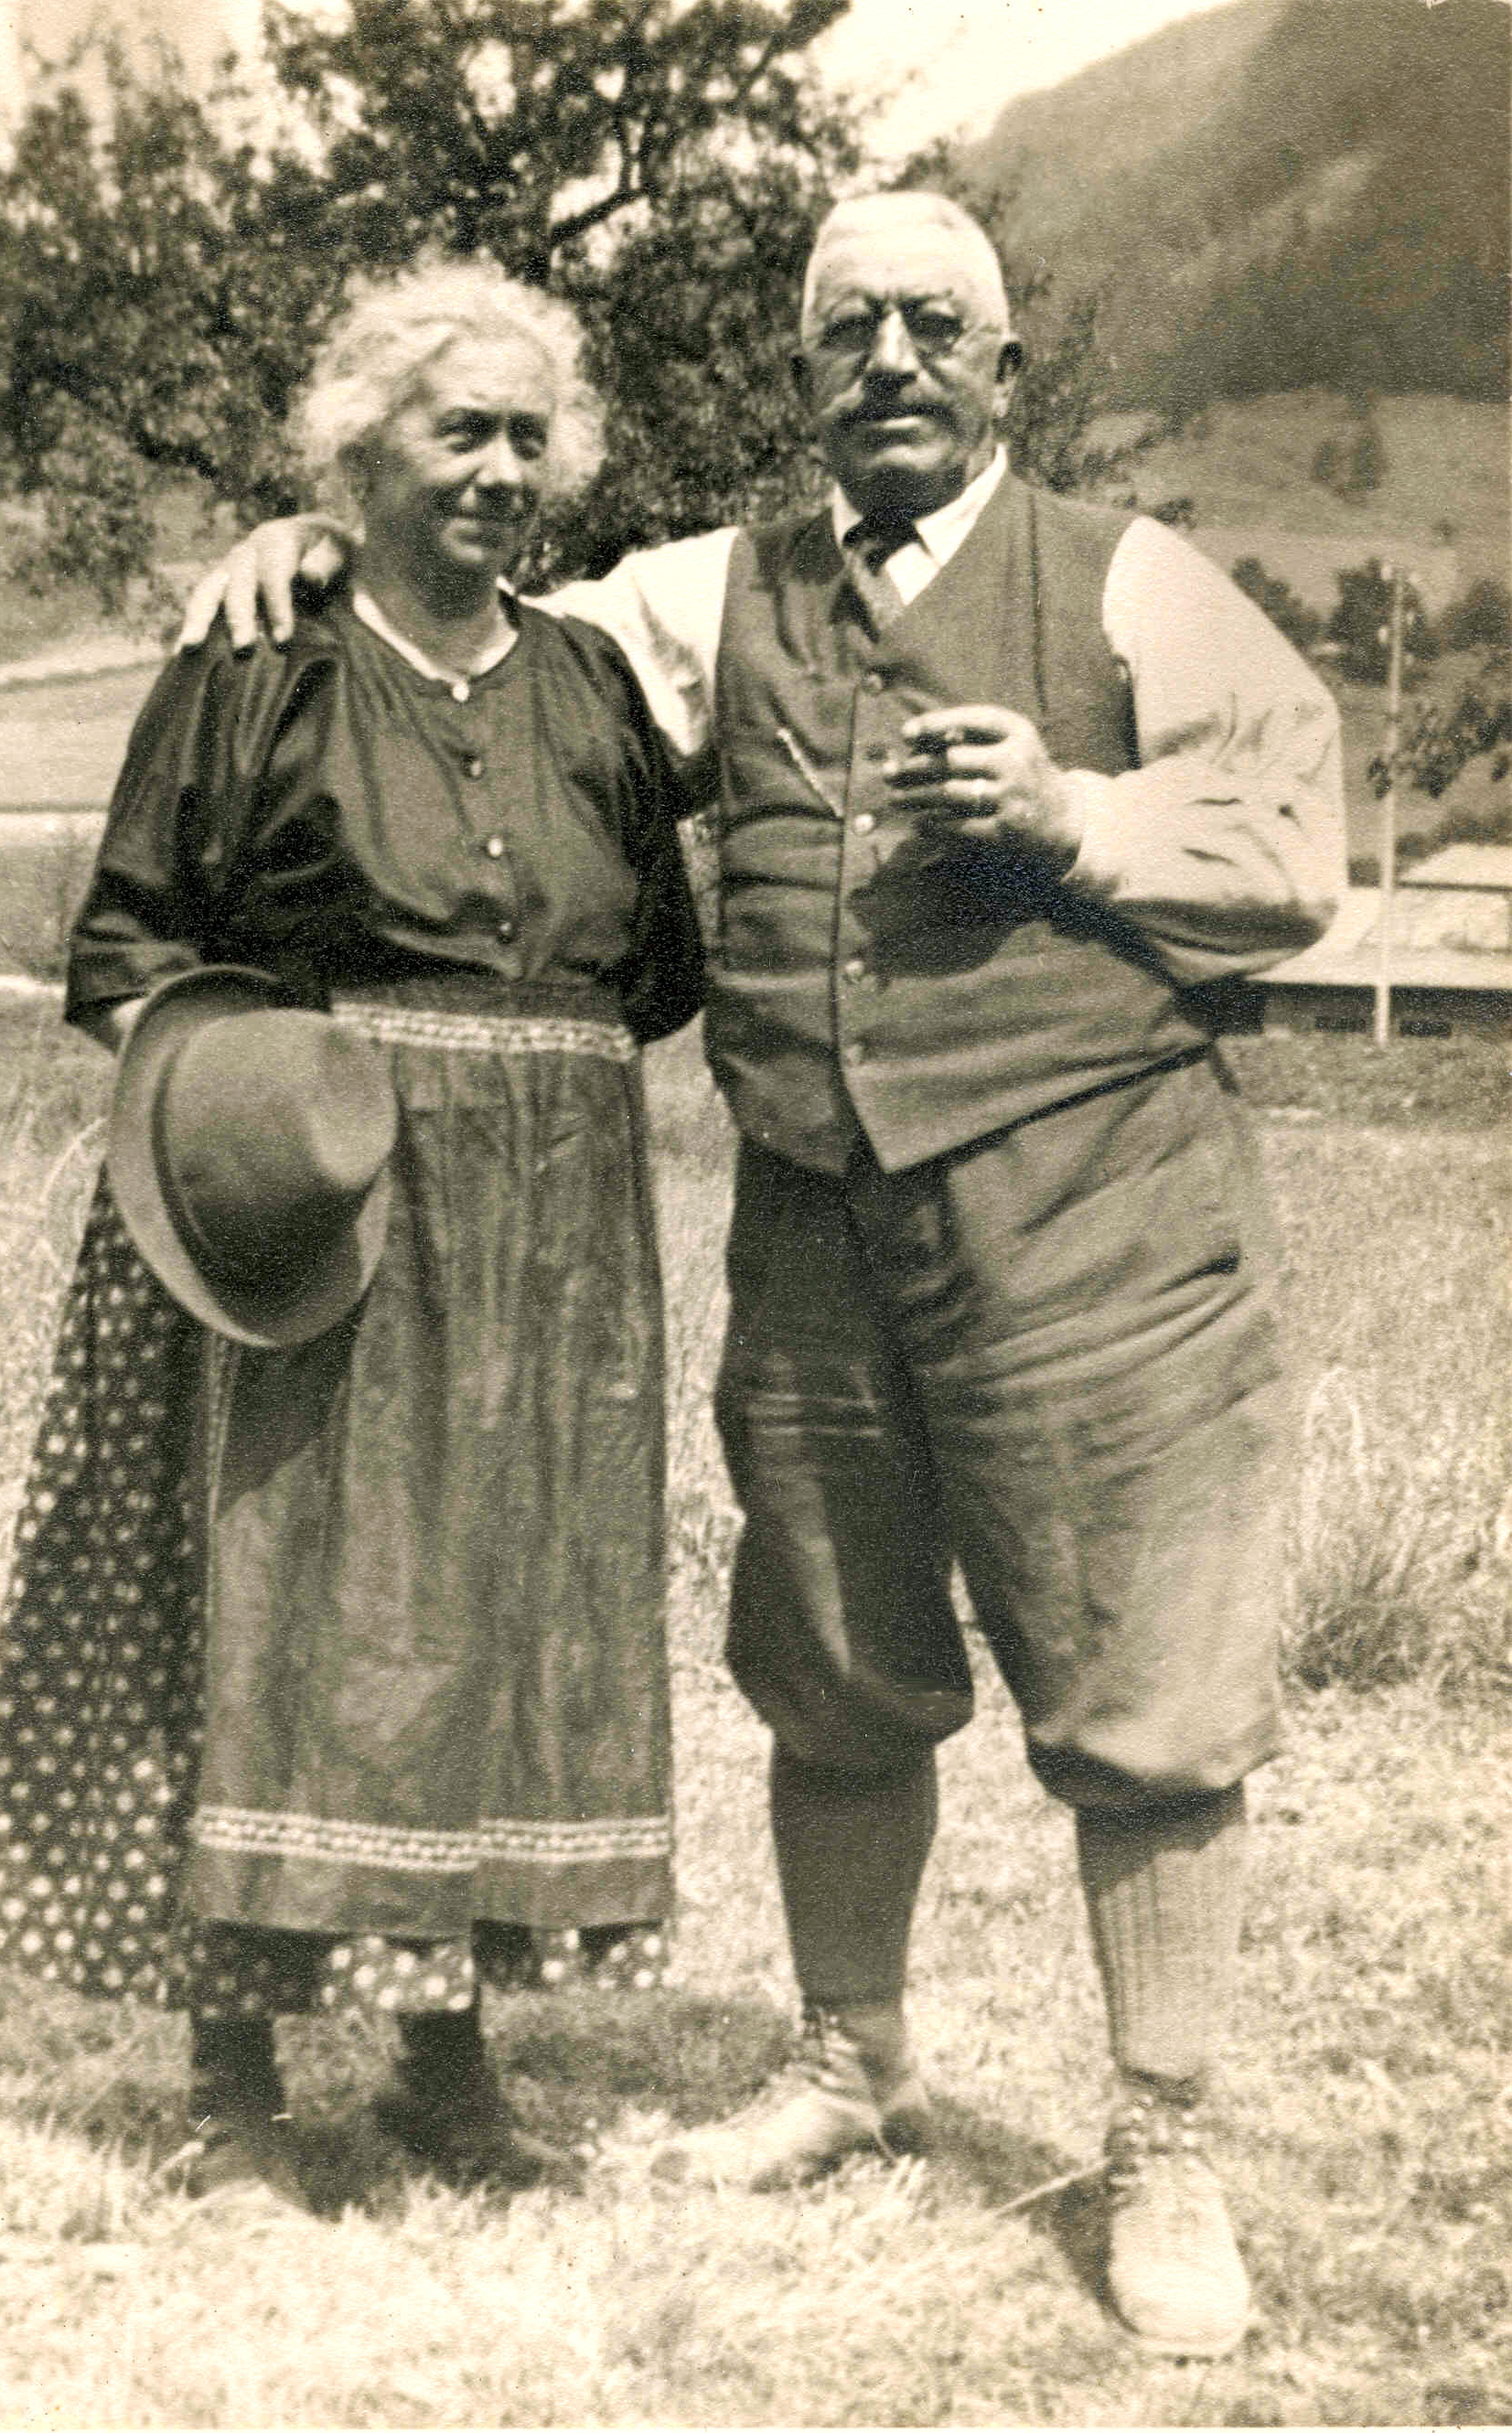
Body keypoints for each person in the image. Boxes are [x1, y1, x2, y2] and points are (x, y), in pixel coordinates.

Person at [181, 190, 1345, 2352]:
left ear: (1005, 370)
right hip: (815, 1217)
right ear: (803, 373)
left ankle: (1161, 2141)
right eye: (849, 328)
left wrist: (1078, 815)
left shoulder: (1132, 578)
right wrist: (308, 545)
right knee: (832, 1652)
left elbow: (1297, 848)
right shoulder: (704, 594)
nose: (891, 357)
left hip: (1099, 1218)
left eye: (937, 325)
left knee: (1149, 1687)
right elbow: (469, 627)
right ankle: (848, 2056)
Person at [0, 255, 706, 2210]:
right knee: (282, 1619)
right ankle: (235, 2086)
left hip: (551, 1243)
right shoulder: (259, 661)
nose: (502, 470)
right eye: (462, 431)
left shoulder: (591, 685)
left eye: (531, 436)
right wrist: (266, 1121)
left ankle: (448, 2068)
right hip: (315, 1218)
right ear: (361, 455)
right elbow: (128, 947)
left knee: (489, 1625)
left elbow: (655, 973)